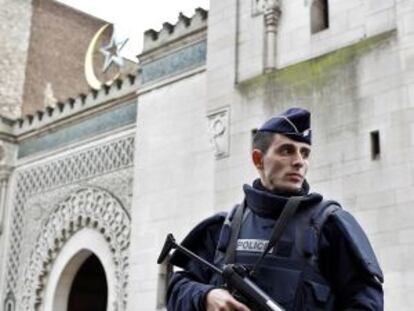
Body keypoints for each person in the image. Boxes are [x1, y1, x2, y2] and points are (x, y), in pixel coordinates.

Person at [166, 108, 384, 311]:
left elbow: (366, 302)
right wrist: (207, 296)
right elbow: (177, 288)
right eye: (287, 151)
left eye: (305, 153)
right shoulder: (223, 228)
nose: (299, 161)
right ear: (258, 159)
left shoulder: (330, 226)